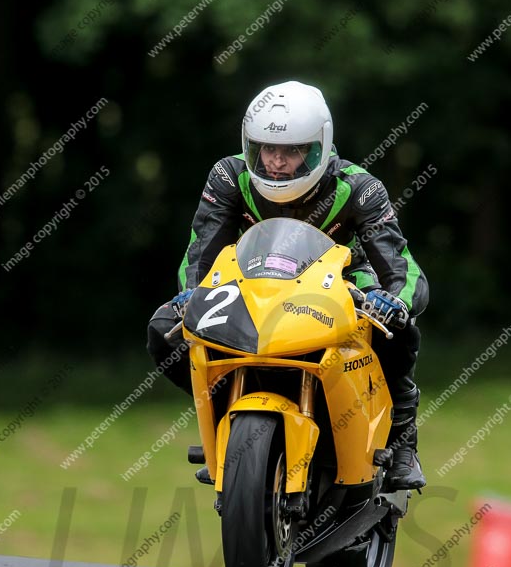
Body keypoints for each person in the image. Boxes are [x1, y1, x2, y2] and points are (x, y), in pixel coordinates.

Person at [148, 80, 429, 490]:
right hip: (252, 288)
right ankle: (224, 416)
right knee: (164, 328)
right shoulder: (229, 177)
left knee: (397, 330)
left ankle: (403, 441)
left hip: (344, 287)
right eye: (267, 148)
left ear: (318, 146)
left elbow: (403, 267)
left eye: (292, 151)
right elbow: (200, 255)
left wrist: (395, 300)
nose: (277, 162)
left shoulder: (360, 188)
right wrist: (190, 295)